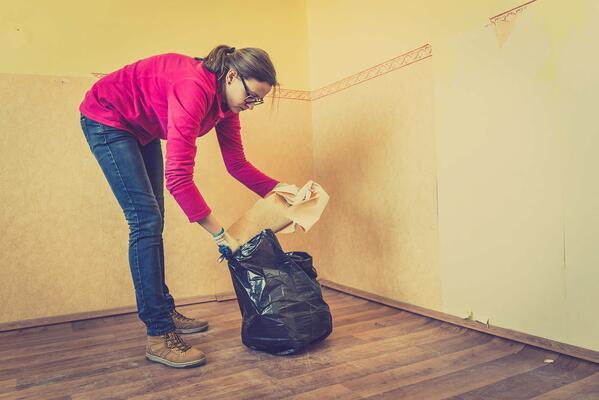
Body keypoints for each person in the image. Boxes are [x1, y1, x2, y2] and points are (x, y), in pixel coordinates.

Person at [79, 45, 288, 368]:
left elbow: (237, 164)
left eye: (257, 101)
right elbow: (178, 178)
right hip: (108, 118)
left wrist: (282, 190)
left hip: (140, 129)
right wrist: (221, 235)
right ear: (232, 76)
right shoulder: (193, 87)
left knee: (153, 218)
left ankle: (162, 308)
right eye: (251, 97)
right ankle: (159, 333)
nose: (251, 106)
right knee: (145, 222)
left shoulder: (227, 104)